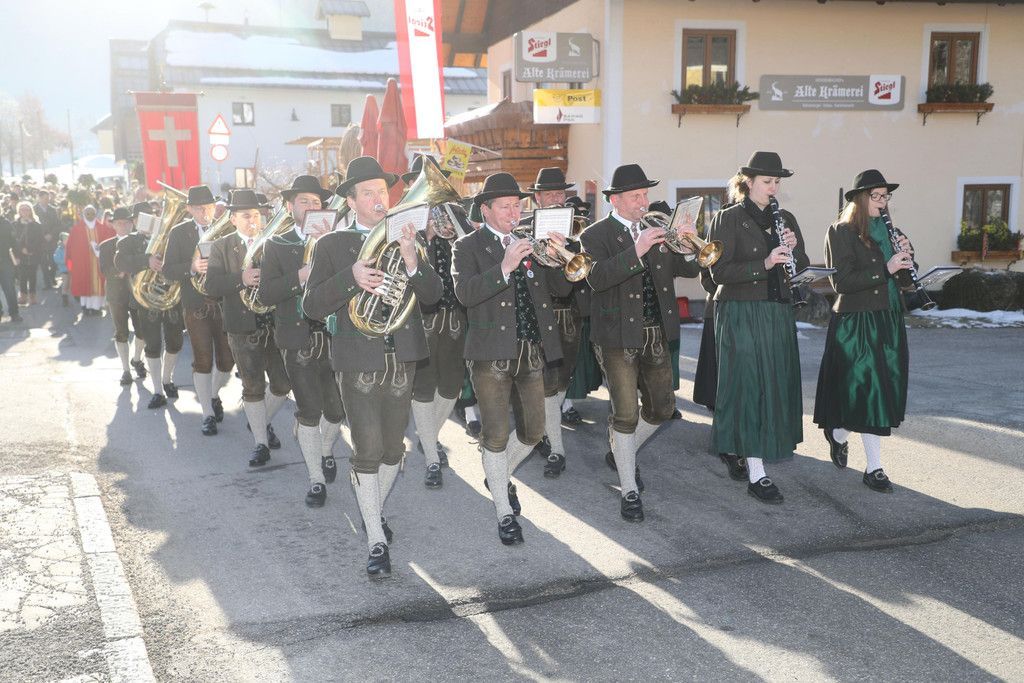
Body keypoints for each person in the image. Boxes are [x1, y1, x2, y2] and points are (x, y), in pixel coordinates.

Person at [303, 156, 441, 576]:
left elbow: (434, 296)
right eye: (369, 193)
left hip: (401, 357)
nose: (379, 199)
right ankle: (377, 540)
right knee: (366, 449)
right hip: (357, 358)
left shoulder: (407, 237)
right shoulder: (332, 245)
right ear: (351, 201)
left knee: (393, 450)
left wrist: (412, 261)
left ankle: (372, 509)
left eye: (383, 191)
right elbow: (311, 306)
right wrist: (351, 278)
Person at [452, 172, 572, 545]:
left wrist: (558, 257)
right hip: (490, 355)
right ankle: (504, 511)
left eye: (517, 205)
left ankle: (498, 474)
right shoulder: (467, 246)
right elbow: (466, 294)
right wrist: (504, 266)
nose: (513, 211)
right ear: (485, 210)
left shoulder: (530, 242)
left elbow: (563, 290)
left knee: (535, 432)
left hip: (531, 349)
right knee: (496, 435)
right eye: (504, 206)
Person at [580, 164, 701, 522]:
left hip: (656, 332)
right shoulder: (594, 235)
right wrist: (636, 250)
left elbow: (691, 271)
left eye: (645, 195)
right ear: (615, 200)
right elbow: (598, 279)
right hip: (616, 337)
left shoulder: (657, 227)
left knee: (662, 410)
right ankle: (629, 487)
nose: (643, 202)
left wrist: (689, 241)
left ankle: (620, 449)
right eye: (636, 196)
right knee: (626, 414)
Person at [707, 152, 809, 503]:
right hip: (741, 312)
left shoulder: (786, 218)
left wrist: (795, 251)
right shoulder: (728, 219)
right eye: (767, 181)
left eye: (777, 181)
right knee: (748, 387)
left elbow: (801, 268)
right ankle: (756, 472)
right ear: (748, 183)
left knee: (775, 386)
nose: (773, 187)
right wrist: (764, 262)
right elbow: (717, 274)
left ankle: (759, 455)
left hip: (777, 312)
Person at [814, 170, 912, 494]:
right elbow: (841, 282)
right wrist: (885, 268)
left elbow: (905, 282)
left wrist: (908, 260)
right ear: (861, 198)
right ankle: (854, 448)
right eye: (877, 196)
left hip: (888, 320)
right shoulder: (840, 232)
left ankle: (868, 462)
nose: (884, 203)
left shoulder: (891, 232)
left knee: (881, 393)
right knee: (865, 393)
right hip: (856, 323)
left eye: (886, 197)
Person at [258, 175, 345, 507]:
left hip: (333, 336)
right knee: (309, 409)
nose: (312, 206)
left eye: (316, 202)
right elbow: (266, 293)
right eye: (304, 201)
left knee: (336, 411)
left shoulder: (334, 240)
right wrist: (300, 276)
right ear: (290, 206)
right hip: (297, 338)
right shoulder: (277, 245)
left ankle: (324, 451)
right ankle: (315, 479)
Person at [206, 189, 291, 465]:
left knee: (282, 384)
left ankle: (260, 421)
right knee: (252, 386)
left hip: (273, 324)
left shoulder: (272, 242)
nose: (252, 220)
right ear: (232, 219)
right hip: (241, 326)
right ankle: (260, 443)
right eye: (246, 216)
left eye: (256, 214)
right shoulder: (221, 246)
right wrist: (240, 278)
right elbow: (211, 286)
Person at [521, 167, 581, 478]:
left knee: (561, 380)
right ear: (538, 198)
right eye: (551, 194)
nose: (558, 198)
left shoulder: (575, 230)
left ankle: (546, 428)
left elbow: (580, 272)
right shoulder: (523, 229)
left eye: (561, 194)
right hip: (536, 316)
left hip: (567, 313)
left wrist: (568, 247)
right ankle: (556, 447)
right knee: (543, 382)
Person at [409, 177, 468, 489]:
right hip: (422, 319)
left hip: (455, 317)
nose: (436, 210)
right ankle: (432, 456)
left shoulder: (455, 226)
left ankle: (427, 436)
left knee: (450, 387)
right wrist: (426, 237)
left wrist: (455, 229)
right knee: (424, 385)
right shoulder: (411, 233)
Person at [162, 185, 236, 436]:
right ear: (189, 209)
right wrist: (192, 266)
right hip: (196, 306)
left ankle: (213, 395)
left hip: (224, 303)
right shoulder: (179, 233)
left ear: (214, 207)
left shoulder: (227, 229)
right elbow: (168, 270)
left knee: (227, 360)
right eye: (198, 207)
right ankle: (207, 414)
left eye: (208, 206)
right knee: (203, 359)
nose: (204, 211)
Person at [113, 203, 185, 409]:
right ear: (134, 221)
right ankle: (157, 390)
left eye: (151, 216)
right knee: (152, 344)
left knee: (175, 342)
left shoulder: (169, 238)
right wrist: (147, 260)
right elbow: (119, 262)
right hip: (145, 301)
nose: (145, 221)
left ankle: (167, 378)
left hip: (170, 297)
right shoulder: (129, 241)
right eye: (139, 218)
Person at [98, 208, 145, 386]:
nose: (123, 226)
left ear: (132, 223)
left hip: (138, 292)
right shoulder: (105, 245)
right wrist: (122, 269)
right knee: (121, 331)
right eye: (119, 223)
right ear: (113, 225)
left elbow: (143, 263)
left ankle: (137, 358)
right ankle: (126, 370)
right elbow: (105, 269)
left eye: (126, 223)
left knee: (142, 331)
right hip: (116, 293)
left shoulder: (140, 241)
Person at [66, 205, 114, 316]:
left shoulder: (102, 228)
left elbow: (109, 240)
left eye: (92, 213)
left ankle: (96, 308)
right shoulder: (77, 229)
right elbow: (71, 246)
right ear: (83, 214)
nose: (90, 215)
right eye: (87, 213)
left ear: (96, 214)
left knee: (98, 284)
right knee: (84, 283)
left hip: (98, 262)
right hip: (83, 263)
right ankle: (86, 307)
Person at [12, 202, 46, 305]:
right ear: (19, 211)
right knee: (22, 276)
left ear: (31, 211)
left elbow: (40, 240)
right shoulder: (14, 224)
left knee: (32, 276)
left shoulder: (36, 225)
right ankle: (22, 296)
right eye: (22, 209)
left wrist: (32, 250)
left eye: (27, 209)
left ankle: (32, 296)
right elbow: (13, 240)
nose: (24, 211)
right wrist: (21, 249)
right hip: (20, 255)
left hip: (34, 254)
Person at [35, 190, 60, 289]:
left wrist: (51, 234)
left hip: (52, 240)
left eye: (48, 198)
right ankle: (47, 282)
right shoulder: (34, 209)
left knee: (53, 261)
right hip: (40, 241)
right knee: (43, 262)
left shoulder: (52, 209)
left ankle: (52, 276)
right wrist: (43, 236)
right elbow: (33, 227)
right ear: (39, 198)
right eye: (45, 198)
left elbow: (58, 224)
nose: (47, 200)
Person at [0, 214, 21, 322]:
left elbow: (14, 241)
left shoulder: (6, 223)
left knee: (9, 288)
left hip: (5, 260)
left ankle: (14, 313)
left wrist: (17, 256)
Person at [52, 232, 71, 307]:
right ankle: (64, 298)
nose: (67, 241)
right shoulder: (59, 250)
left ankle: (72, 296)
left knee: (70, 283)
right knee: (65, 284)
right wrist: (65, 261)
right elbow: (56, 259)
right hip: (64, 270)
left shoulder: (71, 248)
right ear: (61, 241)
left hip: (71, 269)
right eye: (65, 239)